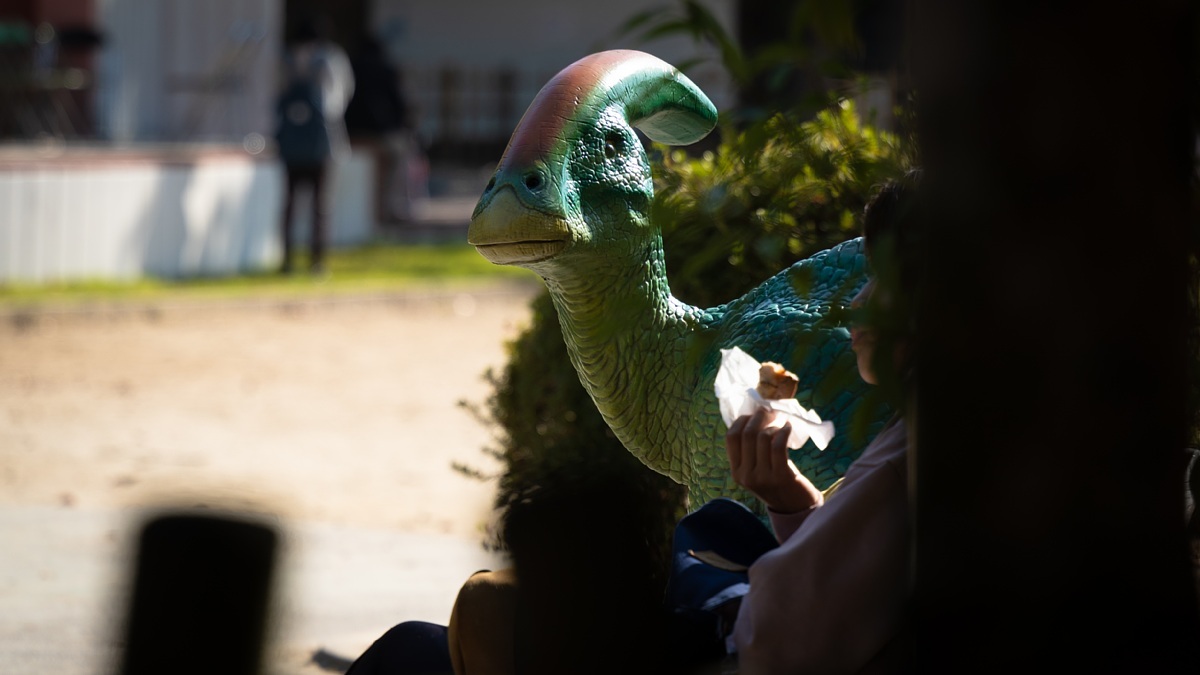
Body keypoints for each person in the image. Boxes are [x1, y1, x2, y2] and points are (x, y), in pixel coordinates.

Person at [341, 173, 923, 674]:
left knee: (418, 647)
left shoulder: (913, 456)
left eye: (887, 280)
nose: (858, 301)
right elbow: (855, 586)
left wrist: (729, 592)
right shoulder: (917, 434)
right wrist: (793, 503)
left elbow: (780, 641)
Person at [274, 15, 354, 275]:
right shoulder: (330, 59)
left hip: (291, 144)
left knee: (289, 203)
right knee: (320, 206)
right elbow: (338, 99)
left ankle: (287, 260)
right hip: (323, 144)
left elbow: (275, 97)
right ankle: (317, 262)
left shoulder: (285, 60)